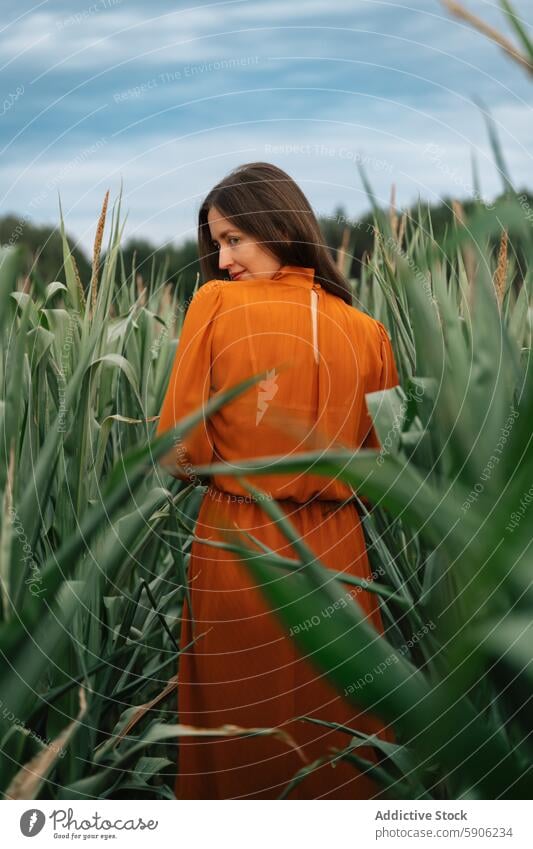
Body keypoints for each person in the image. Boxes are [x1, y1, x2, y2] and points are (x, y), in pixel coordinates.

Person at [155, 161, 400, 799]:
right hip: (340, 553)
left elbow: (177, 450)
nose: (223, 259)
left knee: (237, 734)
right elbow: (388, 461)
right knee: (337, 729)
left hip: (240, 544)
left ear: (278, 225)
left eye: (235, 239)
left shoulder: (212, 304)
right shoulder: (367, 330)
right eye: (215, 244)